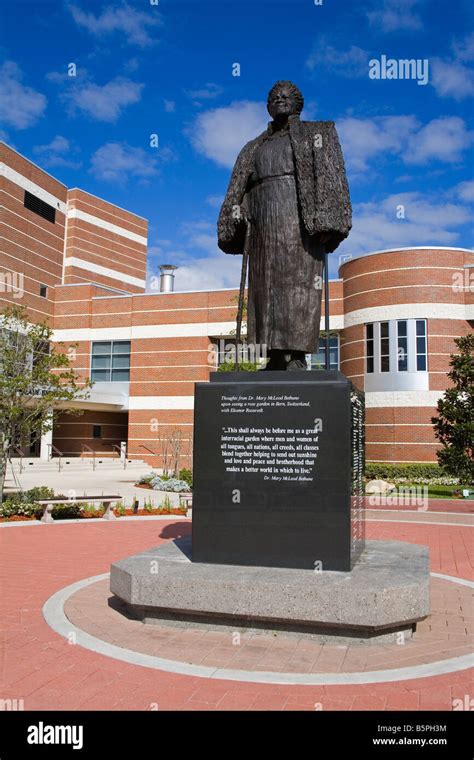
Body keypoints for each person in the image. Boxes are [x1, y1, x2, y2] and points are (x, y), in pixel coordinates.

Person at [218, 80, 351, 370]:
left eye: (286, 96)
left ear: (297, 104)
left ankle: (298, 356)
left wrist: (328, 220)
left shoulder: (318, 134)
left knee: (298, 284)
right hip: (262, 223)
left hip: (298, 220)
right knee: (265, 287)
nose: (279, 99)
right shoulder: (253, 147)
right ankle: (274, 355)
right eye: (274, 97)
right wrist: (237, 213)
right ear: (267, 105)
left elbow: (331, 177)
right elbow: (241, 189)